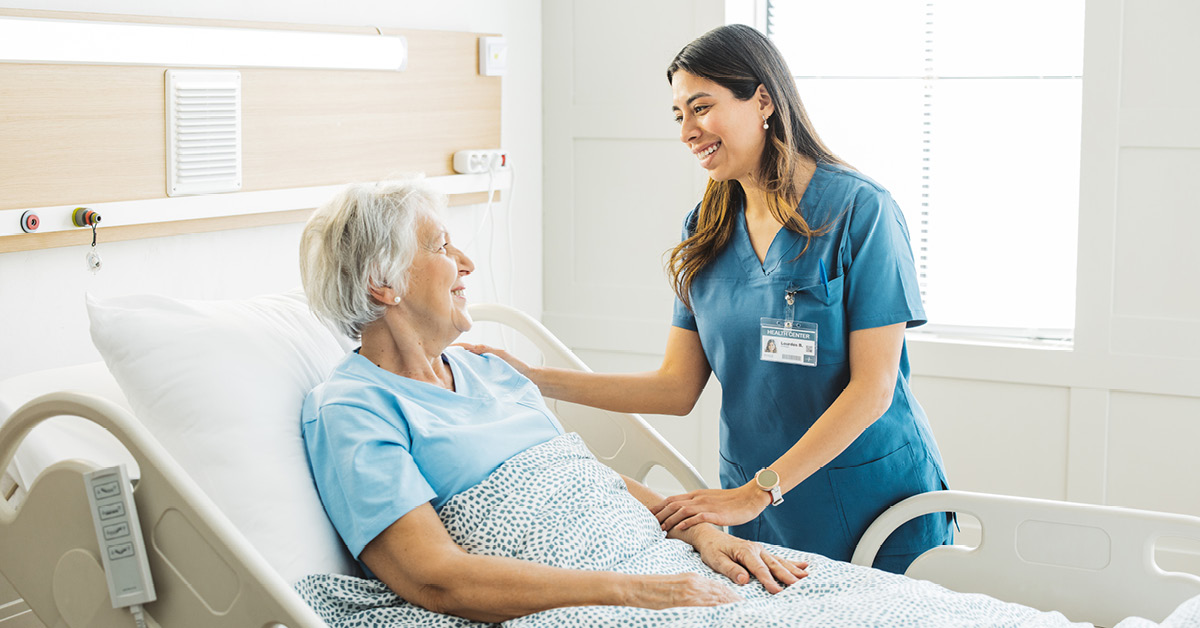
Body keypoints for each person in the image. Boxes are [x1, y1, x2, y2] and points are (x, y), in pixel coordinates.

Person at [463, 24, 951, 574]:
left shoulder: (860, 212)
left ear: (763, 99)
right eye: (679, 116)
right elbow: (676, 388)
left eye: (701, 107)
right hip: (757, 506)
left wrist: (761, 489)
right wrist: (533, 377)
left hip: (868, 498)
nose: (687, 132)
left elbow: (874, 389)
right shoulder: (706, 228)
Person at [297, 181, 808, 623]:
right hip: (598, 598)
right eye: (443, 247)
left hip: (659, 566)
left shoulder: (490, 370)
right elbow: (436, 580)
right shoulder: (353, 411)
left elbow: (581, 474)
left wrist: (702, 534)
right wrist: (638, 594)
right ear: (381, 284)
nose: (467, 263)